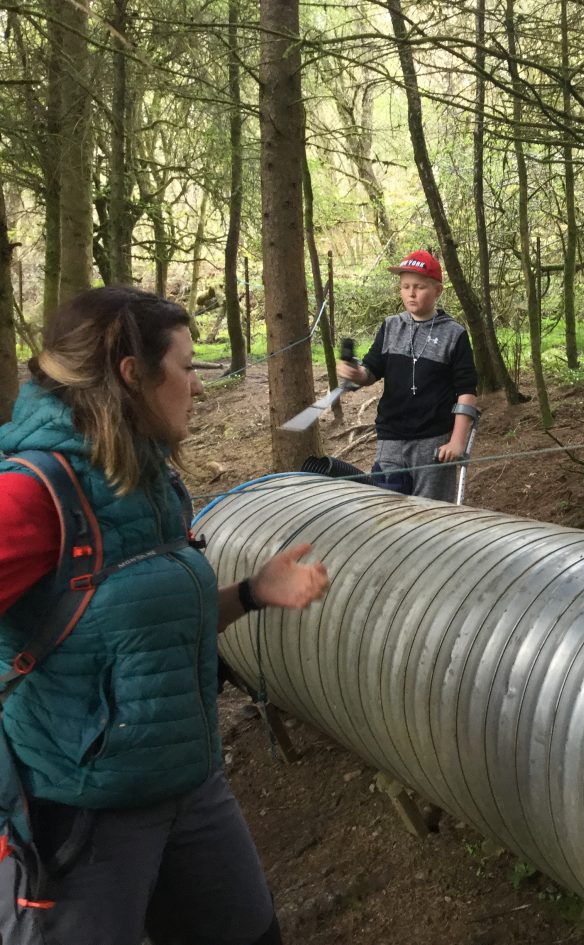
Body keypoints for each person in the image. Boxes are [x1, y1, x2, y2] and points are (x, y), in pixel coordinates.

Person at [0, 286, 330, 945]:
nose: (199, 387)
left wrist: (253, 592)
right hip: (82, 817)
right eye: (187, 366)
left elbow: (143, 632)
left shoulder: (150, 479)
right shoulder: (34, 492)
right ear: (133, 375)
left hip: (192, 788)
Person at [336, 250, 478, 502]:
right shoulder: (391, 326)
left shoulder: (454, 334)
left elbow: (466, 391)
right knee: (387, 509)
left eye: (419, 287)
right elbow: (370, 371)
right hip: (390, 439)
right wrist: (355, 373)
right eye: (405, 287)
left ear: (437, 291)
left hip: (433, 442)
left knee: (431, 513)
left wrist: (457, 442)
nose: (411, 293)